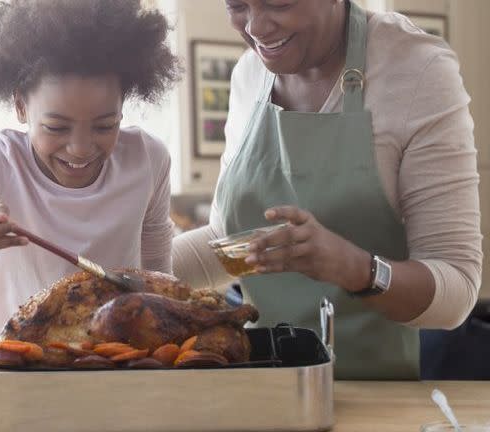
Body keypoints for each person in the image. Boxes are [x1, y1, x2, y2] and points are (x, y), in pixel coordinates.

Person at [172, 0, 482, 380]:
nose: (255, 26)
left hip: (378, 396)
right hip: (261, 383)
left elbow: (458, 290)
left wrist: (356, 269)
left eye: (278, 3)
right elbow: (233, 245)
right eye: (237, 5)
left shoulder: (416, 70)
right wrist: (125, 271)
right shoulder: (249, 75)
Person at [0, 0, 181, 338]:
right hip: (13, 370)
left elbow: (160, 280)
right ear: (20, 105)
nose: (81, 148)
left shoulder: (148, 159)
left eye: (105, 126)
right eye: (57, 128)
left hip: (114, 366)